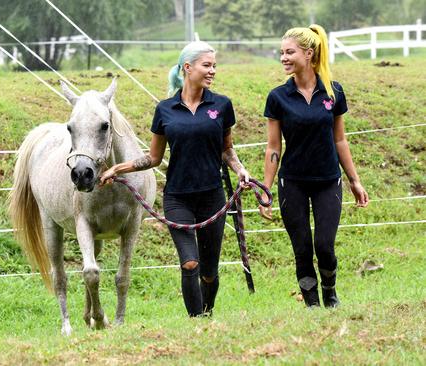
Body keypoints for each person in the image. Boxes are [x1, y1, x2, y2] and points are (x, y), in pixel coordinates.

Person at [99, 42, 250, 317]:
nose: (212, 70)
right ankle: (196, 322)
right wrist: (116, 169)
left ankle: (207, 313)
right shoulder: (165, 109)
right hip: (178, 197)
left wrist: (240, 169)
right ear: (187, 68)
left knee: (209, 271)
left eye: (214, 65)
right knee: (190, 263)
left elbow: (226, 149)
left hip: (212, 197)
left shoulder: (221, 105)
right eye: (207, 65)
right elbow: (153, 158)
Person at [259, 24, 369, 308]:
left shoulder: (333, 93)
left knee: (324, 245)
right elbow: (273, 147)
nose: (283, 57)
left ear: (308, 53)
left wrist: (355, 180)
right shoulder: (278, 97)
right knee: (302, 248)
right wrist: (266, 188)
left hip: (327, 180)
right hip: (292, 182)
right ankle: (311, 304)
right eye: (281, 52)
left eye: (289, 52)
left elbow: (340, 140)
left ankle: (330, 294)